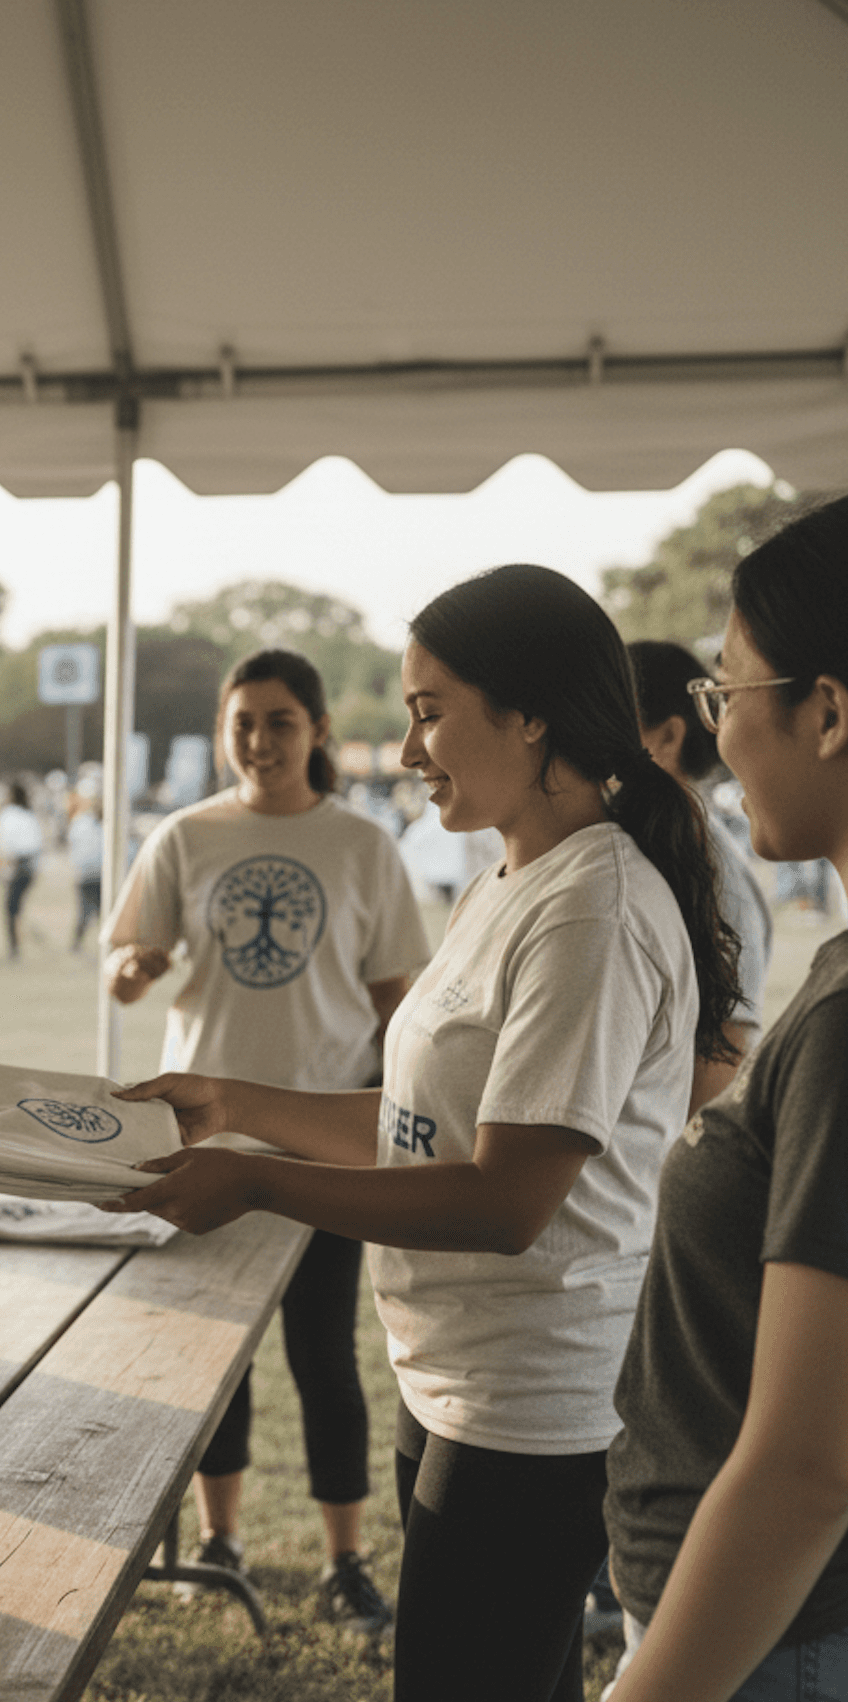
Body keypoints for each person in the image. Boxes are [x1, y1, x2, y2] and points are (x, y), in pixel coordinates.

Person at [108, 564, 740, 1702]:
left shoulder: (591, 908)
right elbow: (425, 1128)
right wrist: (237, 1108)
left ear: (531, 715)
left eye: (429, 712)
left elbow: (505, 1199)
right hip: (458, 1382)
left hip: (533, 1408)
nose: (406, 751)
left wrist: (256, 1185)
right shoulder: (510, 878)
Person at [105, 648, 428, 1637]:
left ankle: (345, 1560)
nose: (258, 741)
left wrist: (393, 1112)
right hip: (203, 1142)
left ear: (318, 731)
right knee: (217, 1359)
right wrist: (134, 969)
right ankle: (220, 1539)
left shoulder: (362, 845)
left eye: (280, 721)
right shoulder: (185, 835)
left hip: (320, 1142)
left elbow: (398, 1002)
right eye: (241, 722)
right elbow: (124, 965)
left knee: (324, 1352)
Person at [604, 496, 848, 1702]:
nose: (719, 731)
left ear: (828, 711)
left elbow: (807, 1467)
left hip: (764, 1642)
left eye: (726, 691)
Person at [631, 638, 773, 1107]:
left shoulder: (715, 872)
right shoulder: (629, 849)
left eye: (612, 720)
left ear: (668, 737)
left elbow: (723, 1054)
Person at [0, 779, 42, 958]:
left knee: (11, 909)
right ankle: (21, 941)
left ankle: (14, 948)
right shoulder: (29, 815)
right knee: (18, 908)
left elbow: (6, 846)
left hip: (16, 864)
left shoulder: (8, 814)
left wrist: (3, 868)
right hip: (30, 865)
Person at [67, 792, 105, 951]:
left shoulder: (82, 823)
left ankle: (103, 944)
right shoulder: (82, 824)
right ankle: (76, 945)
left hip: (100, 876)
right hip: (87, 875)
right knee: (86, 912)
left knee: (101, 914)